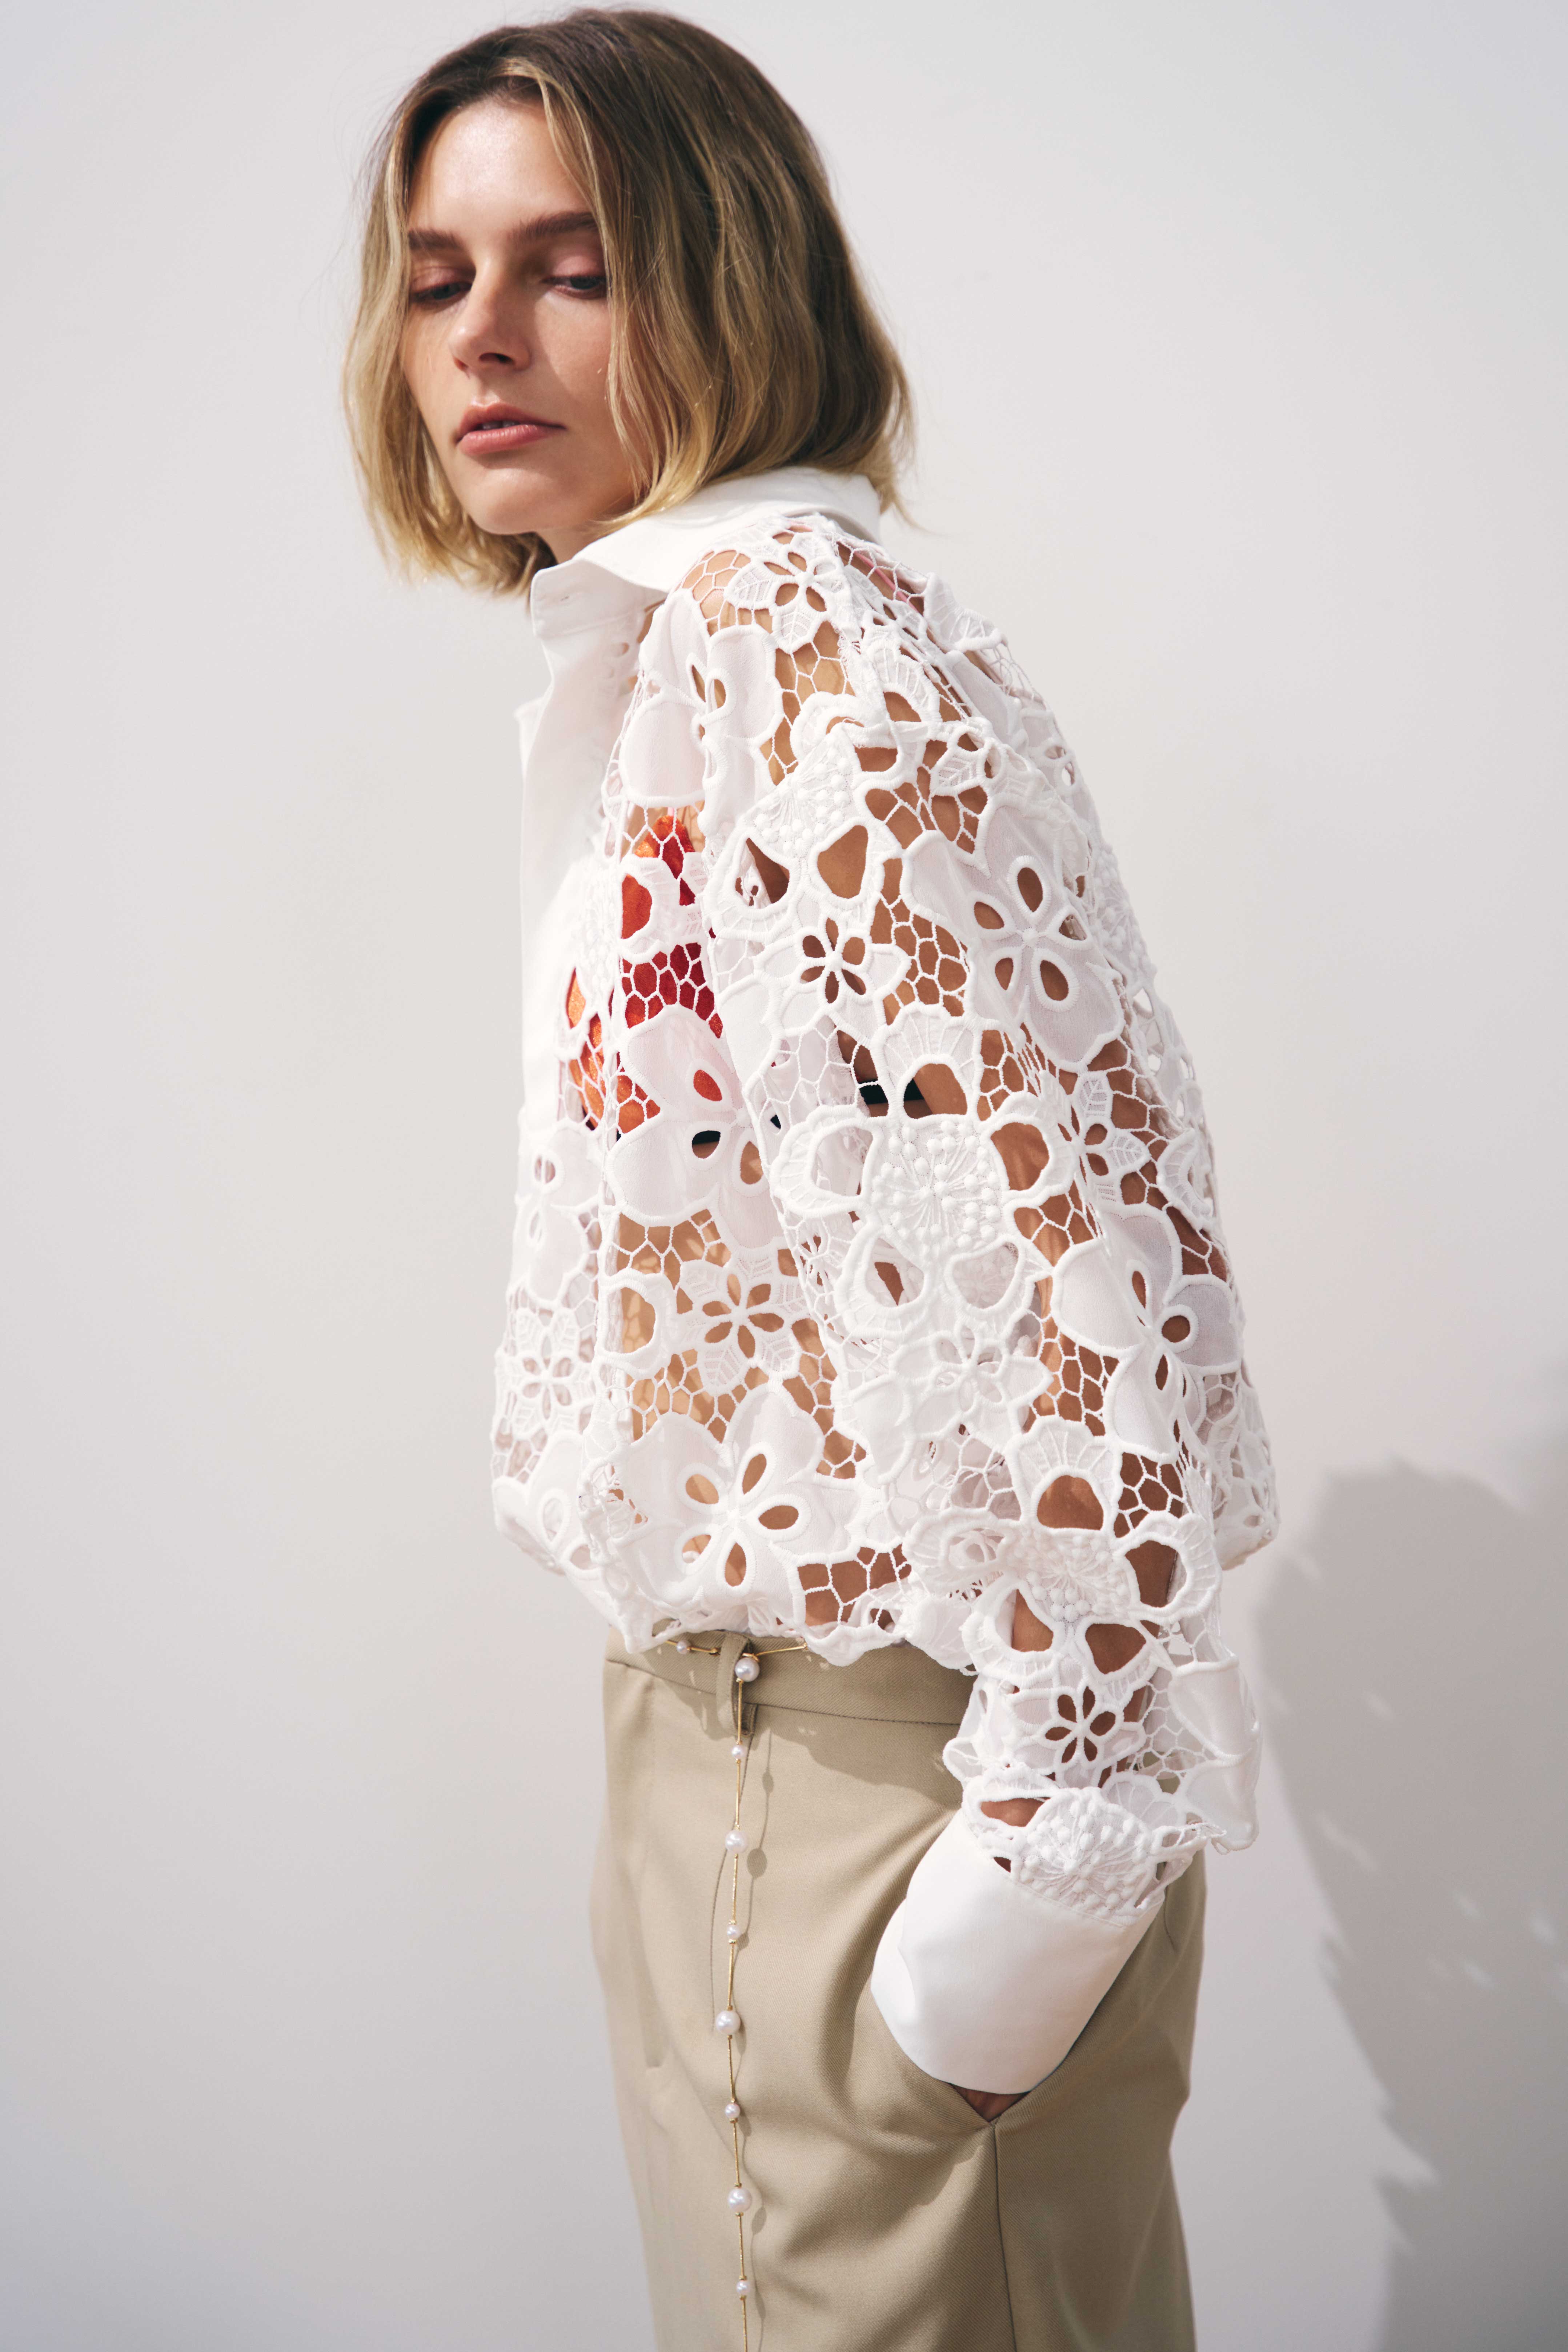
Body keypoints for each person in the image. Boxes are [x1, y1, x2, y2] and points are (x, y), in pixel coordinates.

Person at [345, 13, 1278, 2348]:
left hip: (884, 1786)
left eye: (570, 267)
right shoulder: (666, 651)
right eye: (437, 275)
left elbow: (1083, 1248)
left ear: (727, 274)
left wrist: (1034, 1883)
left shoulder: (811, 654)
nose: (481, 336)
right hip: (720, 1760)